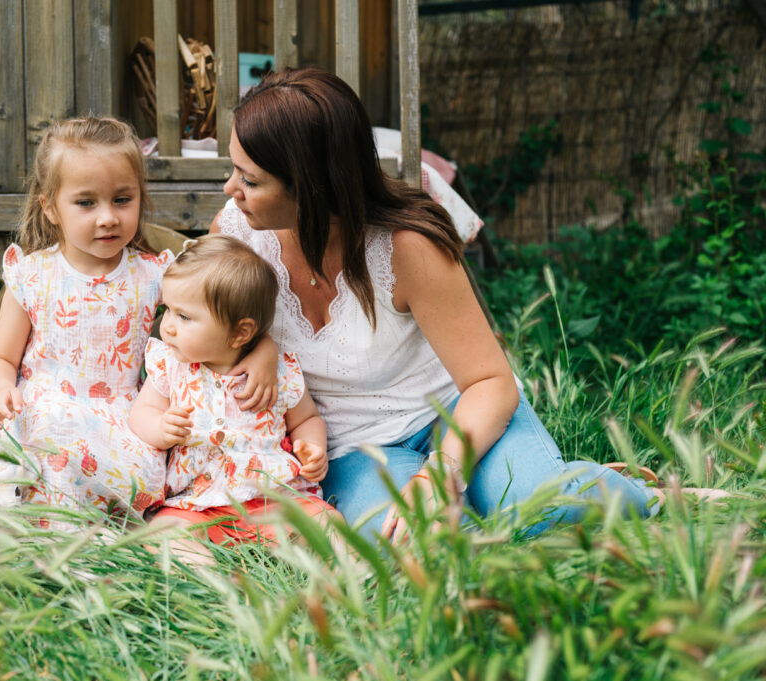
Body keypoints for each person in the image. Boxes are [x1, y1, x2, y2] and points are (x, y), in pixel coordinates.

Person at [209, 68, 680, 541]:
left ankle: (632, 493)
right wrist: (261, 349)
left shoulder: (406, 248)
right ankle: (506, 494)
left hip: (461, 413)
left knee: (540, 510)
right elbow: (202, 337)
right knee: (403, 542)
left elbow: (489, 382)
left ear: (311, 186)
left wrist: (441, 474)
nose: (231, 189)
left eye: (249, 180)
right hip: (357, 447)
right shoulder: (236, 236)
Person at [0, 117, 275, 528]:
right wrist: (1, 394)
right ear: (50, 207)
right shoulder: (34, 276)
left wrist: (264, 348)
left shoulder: (154, 276)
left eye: (122, 200)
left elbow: (223, 319)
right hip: (43, 414)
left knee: (82, 450)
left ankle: (59, 525)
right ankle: (7, 511)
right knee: (43, 426)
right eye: (86, 203)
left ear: (140, 196)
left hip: (123, 427)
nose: (107, 217)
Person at [129, 234, 335, 561]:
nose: (166, 326)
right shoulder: (171, 365)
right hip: (197, 504)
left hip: (275, 500)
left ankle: (337, 573)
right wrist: (159, 427)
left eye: (184, 317)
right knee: (163, 535)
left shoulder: (279, 374)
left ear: (240, 333)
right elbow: (143, 411)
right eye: (167, 310)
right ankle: (213, 580)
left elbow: (306, 418)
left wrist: (312, 447)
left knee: (329, 525)